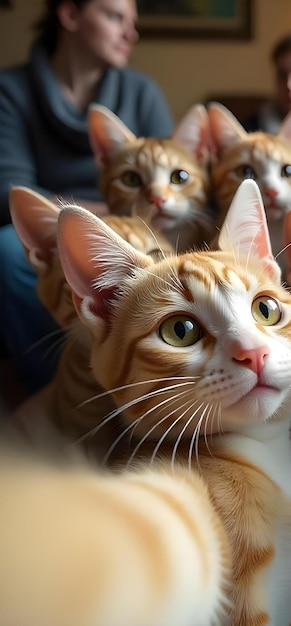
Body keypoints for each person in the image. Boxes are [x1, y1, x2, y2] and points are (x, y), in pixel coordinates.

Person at [0, 0, 174, 396]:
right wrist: (104, 217)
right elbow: (8, 191)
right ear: (71, 15)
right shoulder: (10, 91)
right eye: (115, 17)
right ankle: (53, 392)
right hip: (54, 228)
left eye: (133, 21)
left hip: (136, 226)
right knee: (8, 248)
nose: (131, 33)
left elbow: (169, 180)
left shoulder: (141, 92)